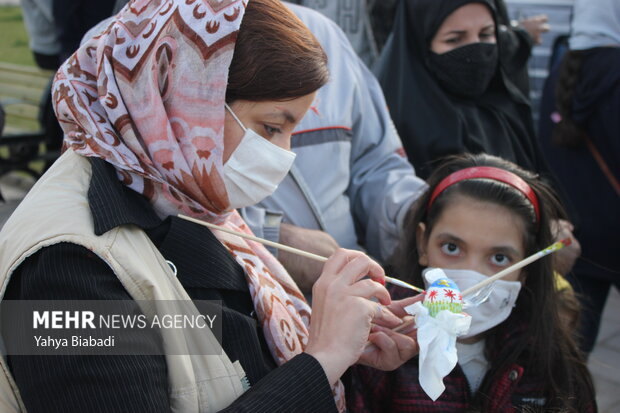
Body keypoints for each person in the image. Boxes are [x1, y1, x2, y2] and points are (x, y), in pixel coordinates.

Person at [0, 1, 420, 412]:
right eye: (271, 128)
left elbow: (204, 343)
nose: (284, 155)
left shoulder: (176, 191)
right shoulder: (65, 265)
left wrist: (338, 343)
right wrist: (321, 360)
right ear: (184, 98)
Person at [348, 153, 596, 412]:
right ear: (423, 243)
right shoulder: (378, 344)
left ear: (526, 267)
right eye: (452, 248)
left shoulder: (548, 359)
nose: (471, 274)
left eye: (499, 258)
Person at [374, 0, 580, 276]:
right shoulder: (403, 121)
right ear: (421, 46)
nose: (476, 50)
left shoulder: (505, 104)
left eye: (486, 35)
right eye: (454, 39)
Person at [241, 2, 427, 292]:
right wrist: (267, 238)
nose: (284, 152)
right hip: (248, 296)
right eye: (272, 128)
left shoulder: (321, 34)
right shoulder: (166, 37)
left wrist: (419, 215)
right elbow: (166, 195)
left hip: (352, 293)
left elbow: (376, 163)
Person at [538, 0, 620, 354]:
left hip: (579, 235)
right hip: (614, 226)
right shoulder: (616, 73)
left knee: (572, 348)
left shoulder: (562, 69)